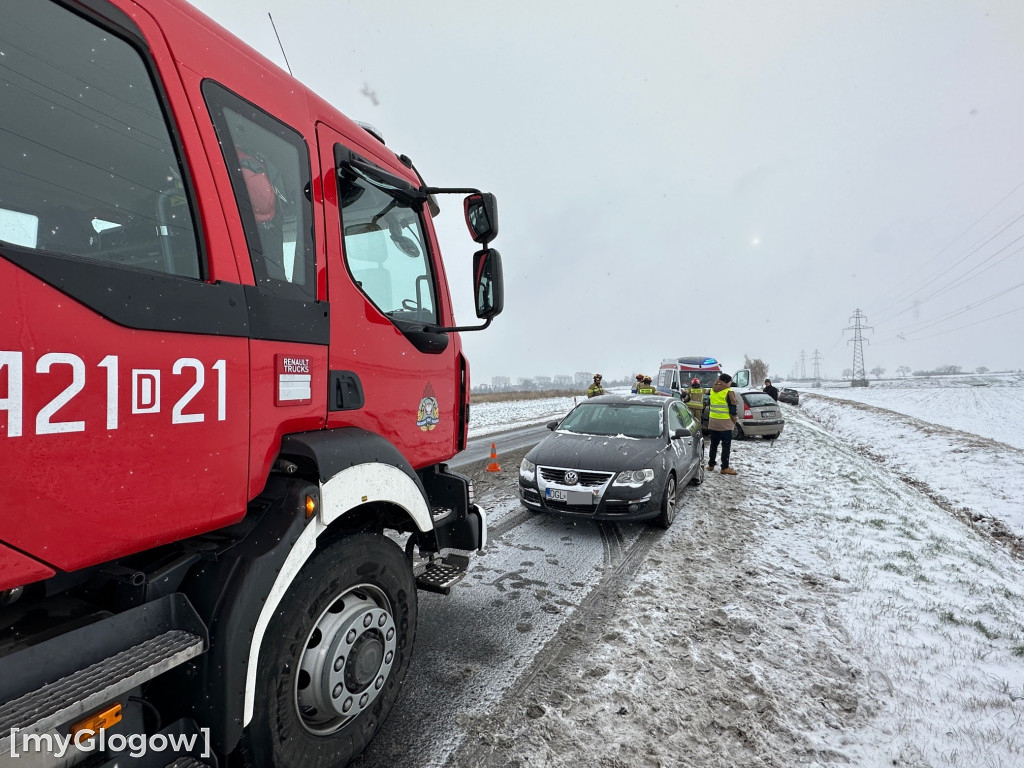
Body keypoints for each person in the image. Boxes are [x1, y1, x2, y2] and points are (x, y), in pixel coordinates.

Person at [707, 373, 740, 475]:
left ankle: (711, 464)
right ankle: (725, 467)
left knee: (714, 444)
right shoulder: (729, 392)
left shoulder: (712, 390)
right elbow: (733, 409)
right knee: (726, 446)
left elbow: (710, 404)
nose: (731, 383)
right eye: (730, 381)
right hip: (725, 424)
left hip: (713, 422)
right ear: (726, 382)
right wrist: (734, 420)